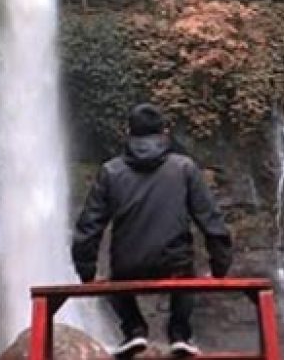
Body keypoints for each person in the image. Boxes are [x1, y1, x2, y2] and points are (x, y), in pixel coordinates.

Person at [72, 104, 233, 358]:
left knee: (112, 280)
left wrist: (87, 273)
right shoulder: (184, 168)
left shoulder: (110, 172)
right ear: (164, 133)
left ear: (128, 133)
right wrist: (220, 266)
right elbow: (211, 219)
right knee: (185, 271)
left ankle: (134, 329)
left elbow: (89, 226)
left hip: (127, 268)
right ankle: (180, 333)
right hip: (175, 264)